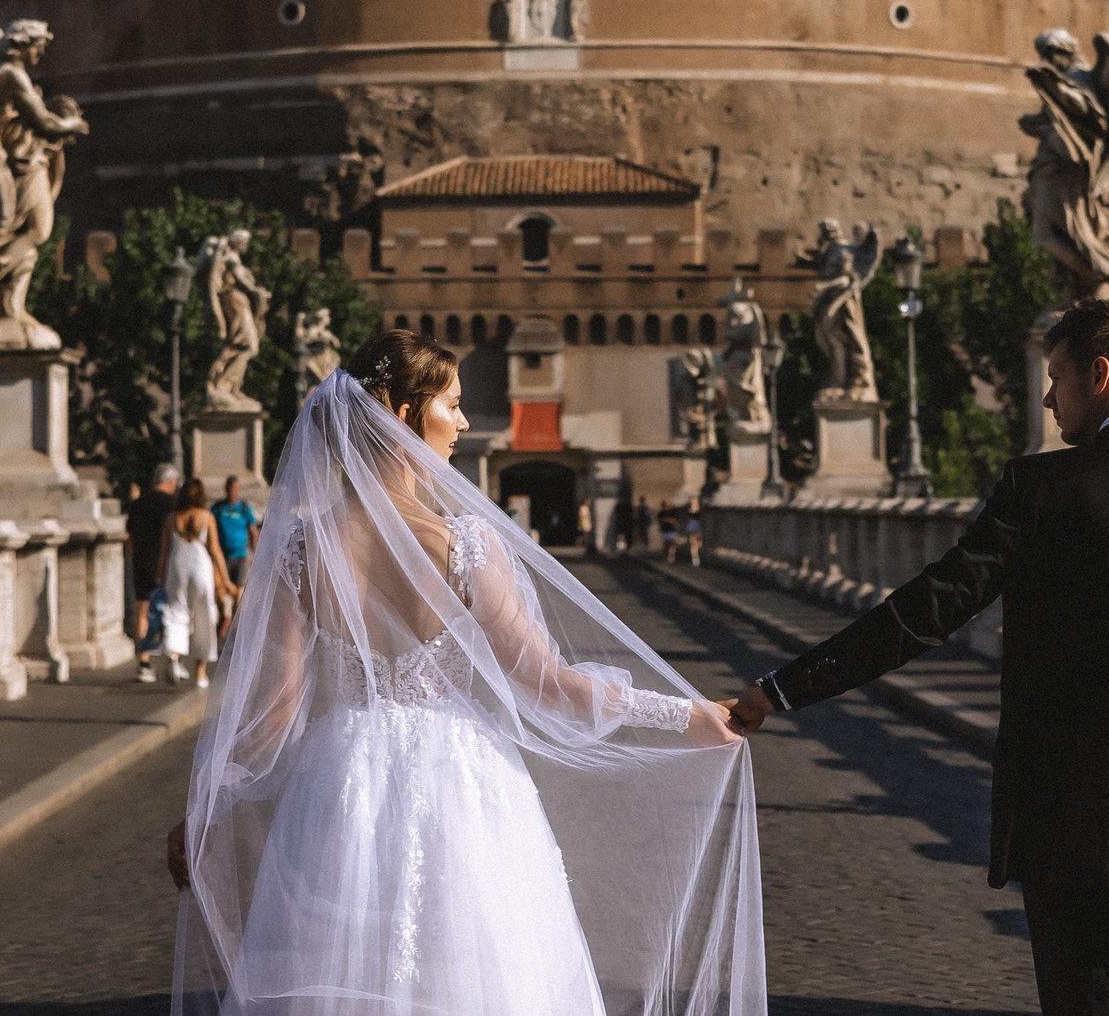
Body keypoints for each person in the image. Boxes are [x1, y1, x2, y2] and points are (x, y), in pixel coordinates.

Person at [719, 301, 1109, 1016]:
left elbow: (922, 612)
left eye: (1055, 378)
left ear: (1101, 373)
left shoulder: (1038, 490)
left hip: (1065, 822)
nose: (1049, 397)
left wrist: (780, 690)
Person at [165, 329, 759, 1016]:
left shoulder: (303, 550)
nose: (464, 422)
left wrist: (202, 809)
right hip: (463, 781)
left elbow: (270, 717)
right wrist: (685, 713)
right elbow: (549, 683)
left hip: (341, 787)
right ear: (406, 416)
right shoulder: (469, 546)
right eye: (451, 403)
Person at [161, 478, 240, 688]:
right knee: (204, 615)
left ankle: (174, 653)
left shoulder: (171, 519)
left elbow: (164, 551)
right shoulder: (207, 517)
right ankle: (200, 673)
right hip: (200, 567)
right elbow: (214, 549)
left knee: (176, 612)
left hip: (177, 566)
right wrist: (226, 580)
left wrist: (160, 577)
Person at [129, 465, 182, 686]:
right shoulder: (172, 505)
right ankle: (173, 657)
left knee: (142, 611)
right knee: (172, 610)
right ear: (170, 482)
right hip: (164, 562)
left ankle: (143, 663)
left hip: (141, 561)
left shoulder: (138, 504)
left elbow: (129, 536)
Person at [214, 477, 260, 588]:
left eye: (235, 488)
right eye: (231, 488)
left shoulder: (244, 508)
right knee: (223, 588)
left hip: (241, 554)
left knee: (240, 588)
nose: (233, 491)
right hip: (223, 555)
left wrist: (256, 554)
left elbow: (253, 531)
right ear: (226, 489)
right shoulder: (218, 508)